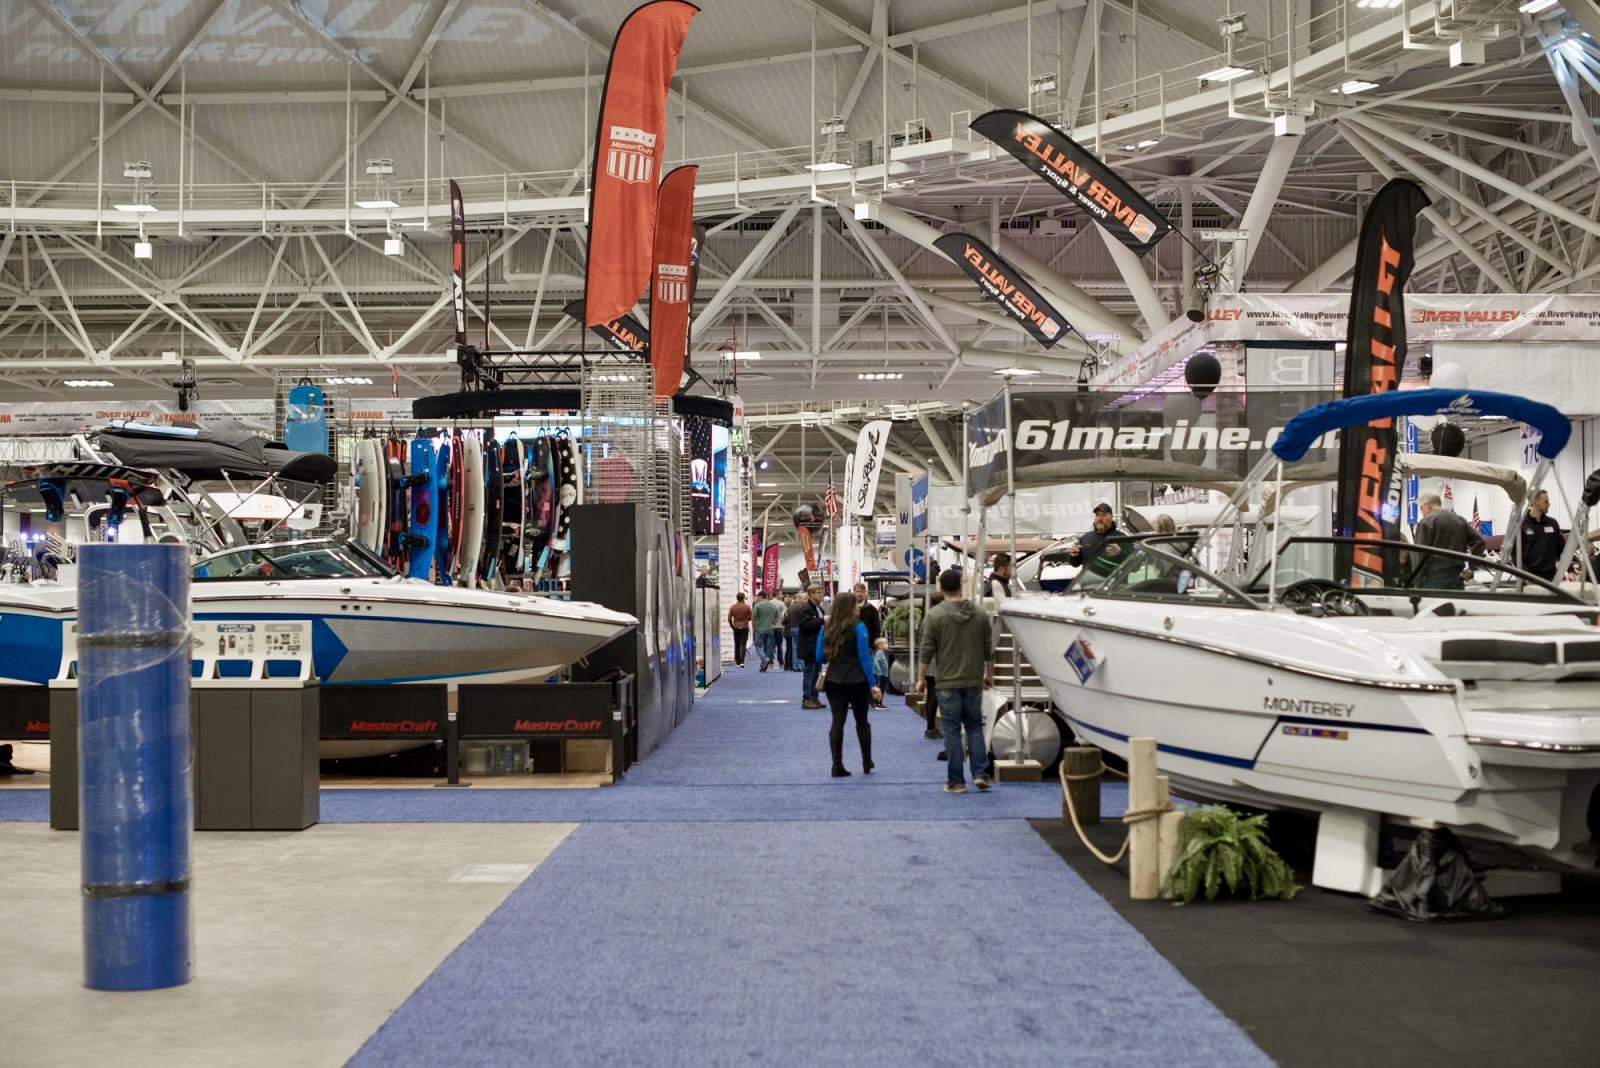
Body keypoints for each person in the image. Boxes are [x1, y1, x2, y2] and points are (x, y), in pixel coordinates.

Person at [919, 567, 995, 794]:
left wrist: (921, 678)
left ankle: (956, 781)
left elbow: (926, 650)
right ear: (961, 585)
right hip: (973, 680)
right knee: (974, 728)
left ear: (941, 588)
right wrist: (988, 675)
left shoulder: (935, 615)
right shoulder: (980, 614)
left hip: (947, 682)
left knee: (951, 730)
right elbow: (988, 650)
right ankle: (980, 774)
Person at [816, 590, 878, 777]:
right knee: (862, 722)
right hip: (857, 681)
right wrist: (873, 684)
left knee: (837, 722)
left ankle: (837, 765)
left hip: (834, 681)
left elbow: (819, 656)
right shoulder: (859, 628)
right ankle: (866, 760)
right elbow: (865, 658)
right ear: (851, 607)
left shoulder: (826, 628)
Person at [1412, 493, 1485, 590]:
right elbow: (1479, 542)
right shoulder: (1460, 520)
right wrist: (1471, 568)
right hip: (1458, 578)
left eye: (1422, 509)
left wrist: (1417, 583)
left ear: (1428, 506)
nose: (1422, 512)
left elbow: (1419, 553)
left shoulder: (1426, 522)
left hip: (1434, 579)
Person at [791, 585, 827, 708]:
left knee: (817, 673)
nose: (821, 595)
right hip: (809, 646)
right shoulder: (806, 609)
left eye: (821, 592)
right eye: (818, 592)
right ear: (811, 594)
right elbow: (805, 626)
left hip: (818, 646)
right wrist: (822, 621)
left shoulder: (819, 609)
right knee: (809, 673)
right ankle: (806, 699)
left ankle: (814, 698)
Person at [1517, 489, 1564, 581]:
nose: (1549, 504)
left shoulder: (1552, 523)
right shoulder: (1521, 525)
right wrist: (1525, 576)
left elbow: (1561, 548)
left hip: (1551, 577)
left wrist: (1564, 565)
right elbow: (1515, 555)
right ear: (1535, 502)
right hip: (1530, 577)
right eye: (1546, 501)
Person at [1065, 502, 1122, 574]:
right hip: (1089, 583)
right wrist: (1073, 555)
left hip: (1114, 584)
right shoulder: (1085, 538)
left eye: (1104, 515)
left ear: (1111, 517)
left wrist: (1120, 553)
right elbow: (1075, 564)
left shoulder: (1122, 538)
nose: (1100, 518)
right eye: (1097, 515)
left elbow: (1135, 567)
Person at [751, 589, 784, 671]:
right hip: (770, 630)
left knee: (758, 646)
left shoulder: (757, 605)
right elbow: (777, 618)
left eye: (758, 597)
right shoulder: (773, 605)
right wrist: (772, 624)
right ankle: (763, 665)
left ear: (761, 597)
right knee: (767, 647)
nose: (757, 598)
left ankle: (764, 659)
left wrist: (755, 628)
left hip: (760, 629)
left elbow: (753, 619)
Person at [727, 592, 752, 667]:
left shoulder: (733, 607)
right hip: (744, 627)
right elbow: (750, 618)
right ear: (744, 598)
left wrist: (732, 626)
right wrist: (746, 618)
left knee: (737, 644)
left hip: (736, 628)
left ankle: (737, 661)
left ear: (736, 598)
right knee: (743, 645)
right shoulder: (747, 607)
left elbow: (729, 619)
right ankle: (742, 661)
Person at [870, 638, 890, 708]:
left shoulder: (882, 653)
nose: (888, 645)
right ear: (880, 645)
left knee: (882, 688)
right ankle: (877, 703)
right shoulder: (879, 653)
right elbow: (876, 662)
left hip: (884, 674)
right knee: (880, 688)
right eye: (886, 644)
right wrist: (879, 671)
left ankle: (880, 702)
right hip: (880, 675)